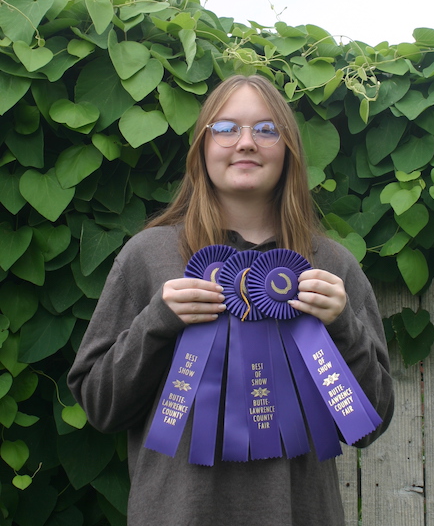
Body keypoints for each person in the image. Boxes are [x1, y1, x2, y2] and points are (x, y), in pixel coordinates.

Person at [68, 74, 394, 526]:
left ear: (289, 149)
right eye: (225, 128)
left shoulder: (331, 268)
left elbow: (370, 425)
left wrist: (343, 327)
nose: (246, 143)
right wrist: (158, 320)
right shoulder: (148, 256)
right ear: (202, 146)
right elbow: (100, 406)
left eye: (266, 129)